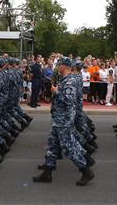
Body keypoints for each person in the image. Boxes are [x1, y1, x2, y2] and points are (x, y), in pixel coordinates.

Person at [33, 57, 95, 186]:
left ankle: (85, 170)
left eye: (59, 64)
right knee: (52, 144)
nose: (57, 67)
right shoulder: (65, 79)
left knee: (68, 146)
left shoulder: (70, 81)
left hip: (64, 119)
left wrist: (57, 92)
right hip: (59, 117)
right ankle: (47, 172)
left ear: (65, 66)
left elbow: (69, 100)